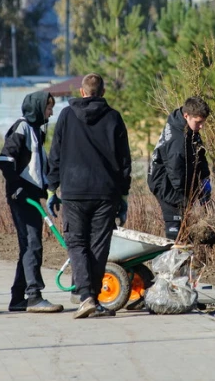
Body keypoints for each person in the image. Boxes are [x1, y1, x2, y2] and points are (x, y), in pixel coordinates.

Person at [46, 74, 132, 319]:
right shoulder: (114, 118)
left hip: (74, 192)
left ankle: (86, 298)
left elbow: (56, 154)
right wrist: (123, 196)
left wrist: (52, 188)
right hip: (106, 193)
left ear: (82, 92)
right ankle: (91, 297)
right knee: (98, 246)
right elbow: (125, 161)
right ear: (102, 93)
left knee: (76, 243)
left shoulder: (66, 115)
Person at [0, 91, 63, 313]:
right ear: (37, 107)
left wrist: (49, 191)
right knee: (32, 244)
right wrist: (17, 186)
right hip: (21, 197)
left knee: (29, 245)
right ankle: (34, 296)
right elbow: (5, 160)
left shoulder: (36, 130)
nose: (51, 112)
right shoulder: (22, 128)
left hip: (32, 196)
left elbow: (36, 166)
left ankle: (17, 298)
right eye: (48, 107)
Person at [147, 96, 211, 240]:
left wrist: (205, 178)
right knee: (176, 227)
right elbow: (177, 174)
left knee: (184, 224)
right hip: (165, 184)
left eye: (203, 122)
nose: (201, 126)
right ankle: (173, 257)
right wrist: (189, 197)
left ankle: (182, 256)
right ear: (186, 115)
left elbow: (199, 153)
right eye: (199, 122)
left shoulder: (186, 126)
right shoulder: (177, 141)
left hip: (176, 178)